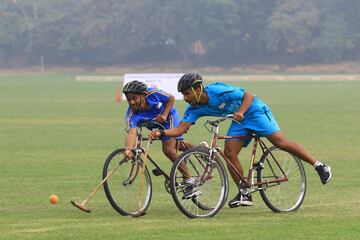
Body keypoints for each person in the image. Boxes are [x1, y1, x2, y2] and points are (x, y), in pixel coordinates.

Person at [149, 73, 332, 208]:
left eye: (187, 93)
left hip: (253, 111)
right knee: (229, 152)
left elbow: (248, 95)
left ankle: (319, 166)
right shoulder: (194, 109)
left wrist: (241, 112)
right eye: (183, 94)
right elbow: (181, 129)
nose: (185, 98)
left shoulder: (217, 90)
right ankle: (245, 193)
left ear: (199, 89)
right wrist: (161, 134)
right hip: (237, 120)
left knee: (279, 142)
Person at [122, 80, 200, 199]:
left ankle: (190, 180)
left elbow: (171, 98)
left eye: (134, 98)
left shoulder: (152, 93)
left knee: (169, 149)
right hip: (154, 125)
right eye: (128, 99)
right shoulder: (131, 114)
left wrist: (164, 115)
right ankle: (201, 150)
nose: (131, 102)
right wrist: (128, 149)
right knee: (177, 145)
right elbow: (132, 132)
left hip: (169, 118)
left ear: (143, 96)